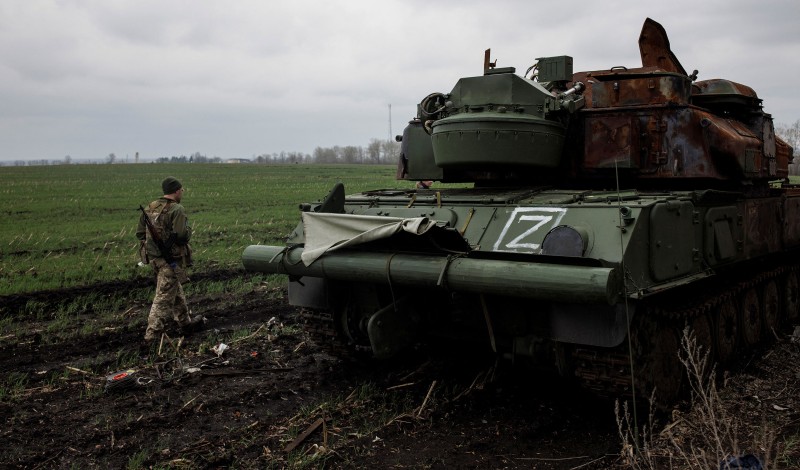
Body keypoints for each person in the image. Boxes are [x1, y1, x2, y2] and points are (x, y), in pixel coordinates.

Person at [136, 176, 203, 342]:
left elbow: (139, 233)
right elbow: (181, 236)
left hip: (154, 259)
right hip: (169, 259)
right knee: (163, 298)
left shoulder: (151, 207)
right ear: (176, 191)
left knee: (175, 290)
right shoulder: (176, 209)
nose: (182, 193)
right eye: (181, 190)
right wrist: (188, 231)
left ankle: (185, 323)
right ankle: (152, 336)